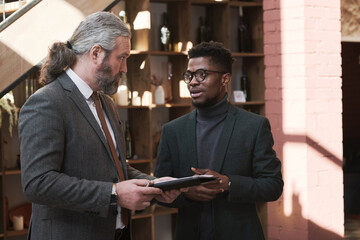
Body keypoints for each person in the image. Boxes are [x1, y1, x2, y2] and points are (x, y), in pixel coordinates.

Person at [18, 12, 180, 240]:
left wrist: (153, 186)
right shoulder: (47, 102)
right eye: (122, 58)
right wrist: (114, 195)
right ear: (96, 53)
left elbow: (113, 168)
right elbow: (38, 183)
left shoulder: (106, 103)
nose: (125, 68)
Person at [154, 41, 284, 240]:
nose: (192, 82)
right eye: (189, 76)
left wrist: (228, 183)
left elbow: (272, 186)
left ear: (225, 78)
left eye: (202, 74)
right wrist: (186, 193)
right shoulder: (173, 131)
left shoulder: (253, 126)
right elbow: (160, 190)